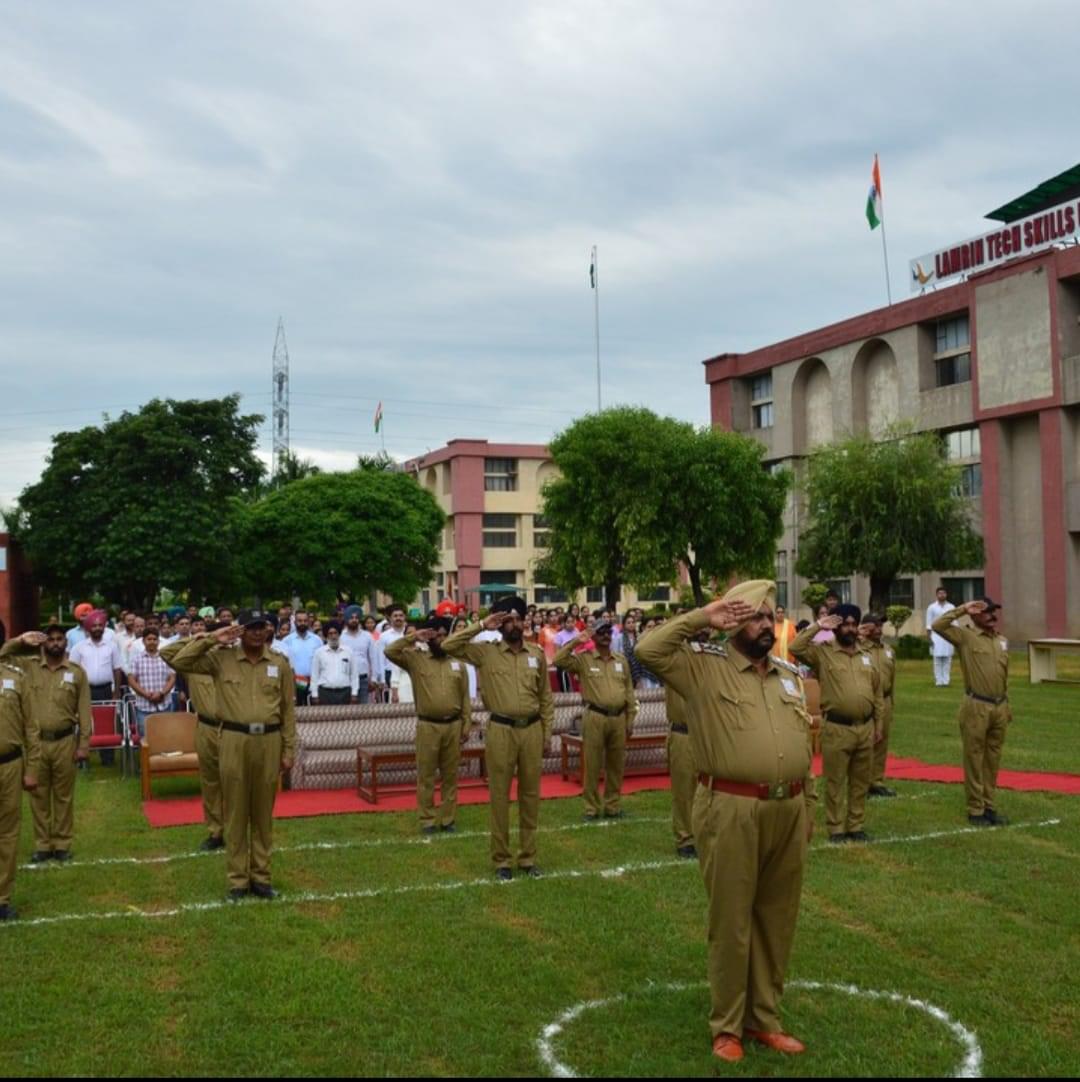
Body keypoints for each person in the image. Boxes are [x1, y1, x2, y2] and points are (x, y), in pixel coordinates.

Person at [634, 581, 816, 1062]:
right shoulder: (702, 668)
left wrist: (808, 807)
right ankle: (728, 1026)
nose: (765, 625)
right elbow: (647, 649)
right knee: (732, 920)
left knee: (776, 919)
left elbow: (802, 743)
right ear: (733, 620)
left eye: (770, 616)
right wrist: (702, 616)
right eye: (755, 616)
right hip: (731, 807)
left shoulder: (786, 674)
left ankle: (764, 1019)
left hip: (789, 807)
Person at [165, 610, 296, 900]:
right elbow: (175, 657)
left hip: (269, 740)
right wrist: (211, 638)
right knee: (236, 812)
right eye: (250, 627)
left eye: (261, 627)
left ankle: (261, 878)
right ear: (239, 630)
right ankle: (238, 880)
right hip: (234, 739)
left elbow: (288, 710)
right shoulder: (220, 659)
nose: (257, 633)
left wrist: (289, 749)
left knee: (263, 813)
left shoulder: (279, 664)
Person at [442, 596, 554, 879]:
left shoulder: (536, 654)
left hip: (531, 729)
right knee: (500, 796)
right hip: (501, 729)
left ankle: (528, 858)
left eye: (519, 619)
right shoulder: (485, 652)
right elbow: (448, 645)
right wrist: (481, 625)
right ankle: (502, 860)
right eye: (508, 620)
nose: (515, 624)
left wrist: (547, 733)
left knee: (530, 796)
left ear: (525, 622)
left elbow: (545, 698)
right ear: (501, 623)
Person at [790, 604, 883, 844]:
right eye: (845, 624)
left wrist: (878, 724)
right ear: (837, 626)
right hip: (837, 728)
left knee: (860, 781)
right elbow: (795, 647)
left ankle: (855, 825)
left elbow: (877, 692)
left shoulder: (866, 654)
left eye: (854, 624)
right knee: (835, 781)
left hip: (865, 727)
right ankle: (836, 827)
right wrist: (818, 626)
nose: (850, 629)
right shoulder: (823, 652)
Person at [1, 627, 90, 862]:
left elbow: (84, 709)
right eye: (50, 639)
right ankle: (42, 844)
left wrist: (84, 744)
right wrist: (20, 640)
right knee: (38, 796)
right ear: (43, 644)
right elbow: (3, 655)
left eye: (60, 639)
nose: (55, 643)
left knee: (63, 796)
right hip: (36, 743)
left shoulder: (77, 672)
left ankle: (62, 843)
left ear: (65, 643)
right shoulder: (27, 667)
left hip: (64, 740)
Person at [384, 614, 473, 834]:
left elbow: (465, 698)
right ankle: (427, 819)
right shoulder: (416, 659)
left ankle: (448, 819)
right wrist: (414, 637)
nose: (441, 640)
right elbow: (390, 652)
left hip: (453, 726)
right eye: (437, 636)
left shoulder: (458, 664)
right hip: (428, 726)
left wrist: (467, 724)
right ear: (429, 638)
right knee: (426, 775)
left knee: (451, 775)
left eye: (445, 635)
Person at [931, 598, 1011, 826]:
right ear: (975, 615)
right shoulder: (965, 636)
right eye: (986, 611)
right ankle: (976, 809)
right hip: (976, 705)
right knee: (974, 758)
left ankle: (990, 806)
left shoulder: (1002, 641)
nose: (992, 615)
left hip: (999, 706)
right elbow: (938, 626)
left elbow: (1004, 677)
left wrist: (1008, 706)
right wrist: (962, 610)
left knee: (992, 759)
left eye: (994, 611)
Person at [554, 622, 638, 821]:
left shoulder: (621, 660)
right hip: (595, 716)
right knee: (592, 765)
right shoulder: (583, 659)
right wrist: (576, 641)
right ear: (593, 636)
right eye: (600, 633)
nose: (605, 636)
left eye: (608, 632)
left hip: (618, 717)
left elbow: (628, 690)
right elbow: (558, 660)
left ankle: (613, 806)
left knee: (616, 765)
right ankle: (591, 808)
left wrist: (631, 716)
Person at [161, 631, 224, 851]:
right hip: (207, 728)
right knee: (211, 783)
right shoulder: (194, 666)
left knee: (237, 782)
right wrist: (201, 638)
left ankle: (236, 829)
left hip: (234, 730)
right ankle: (216, 832)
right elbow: (166, 652)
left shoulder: (235, 663)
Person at [0, 655, 39, 921]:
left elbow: (31, 727)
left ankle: (1, 897)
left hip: (10, 764)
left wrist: (32, 768)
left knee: (7, 833)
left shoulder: (16, 678)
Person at [69, 610, 124, 766]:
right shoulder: (78, 648)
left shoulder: (112, 646)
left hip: (106, 689)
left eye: (100, 625)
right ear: (88, 628)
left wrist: (116, 692)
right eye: (94, 626)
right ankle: (82, 758)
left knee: (107, 724)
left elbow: (117, 669)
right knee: (85, 724)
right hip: (85, 691)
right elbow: (73, 671)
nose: (97, 628)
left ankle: (108, 759)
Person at [859, 614, 897, 798]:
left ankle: (877, 780)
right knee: (865, 743)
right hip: (867, 700)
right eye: (874, 625)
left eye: (881, 624)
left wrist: (892, 703)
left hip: (886, 699)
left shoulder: (888, 650)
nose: (879, 628)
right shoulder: (858, 648)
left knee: (882, 741)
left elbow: (893, 679)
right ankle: (862, 783)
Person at [127, 628, 177, 739]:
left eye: (155, 639)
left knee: (166, 737)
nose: (152, 641)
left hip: (165, 704)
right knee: (146, 740)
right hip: (144, 706)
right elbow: (131, 680)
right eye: (149, 639)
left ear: (158, 641)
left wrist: (162, 693)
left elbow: (172, 678)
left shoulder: (166, 658)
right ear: (143, 641)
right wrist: (145, 694)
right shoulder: (136, 659)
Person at [340, 607, 382, 704]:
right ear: (346, 620)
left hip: (363, 679)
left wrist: (374, 679)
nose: (354, 620)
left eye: (356, 618)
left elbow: (373, 658)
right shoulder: (341, 637)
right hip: (346, 679)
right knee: (347, 710)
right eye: (351, 618)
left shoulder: (367, 636)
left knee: (364, 710)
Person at [310, 621, 357, 706]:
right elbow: (314, 676)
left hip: (345, 692)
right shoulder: (319, 652)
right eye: (330, 633)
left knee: (346, 718)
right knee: (325, 718)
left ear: (339, 634)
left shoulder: (348, 651)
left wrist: (354, 693)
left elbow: (354, 675)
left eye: (335, 633)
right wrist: (314, 695)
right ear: (326, 636)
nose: (333, 636)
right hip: (325, 693)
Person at [283, 611, 321, 706]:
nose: (303, 623)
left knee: (314, 713)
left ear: (309, 622)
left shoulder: (317, 640)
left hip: (314, 682)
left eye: (305, 620)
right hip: (295, 684)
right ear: (295, 622)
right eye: (300, 621)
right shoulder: (287, 641)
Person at [926, 585, 955, 687]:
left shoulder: (951, 607)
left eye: (943, 593)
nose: (942, 595)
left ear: (946, 594)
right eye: (940, 593)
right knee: (937, 660)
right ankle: (938, 681)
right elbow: (929, 623)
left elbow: (954, 622)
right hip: (936, 635)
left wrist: (954, 636)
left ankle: (946, 681)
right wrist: (929, 637)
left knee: (947, 659)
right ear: (936, 595)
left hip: (948, 634)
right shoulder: (932, 607)